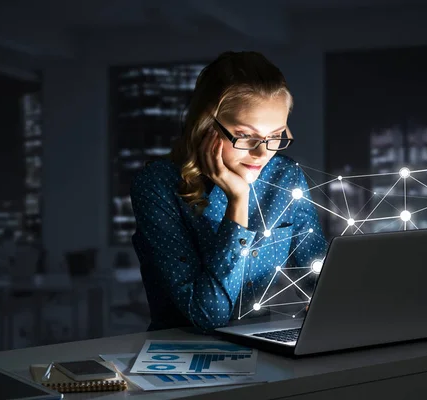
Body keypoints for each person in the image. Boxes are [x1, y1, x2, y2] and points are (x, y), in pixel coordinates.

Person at [131, 51, 328, 333]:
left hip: (264, 348)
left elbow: (316, 277)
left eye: (274, 136)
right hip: (181, 354)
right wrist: (239, 200)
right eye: (246, 136)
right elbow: (207, 316)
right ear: (207, 126)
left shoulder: (285, 175)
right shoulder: (157, 184)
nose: (262, 153)